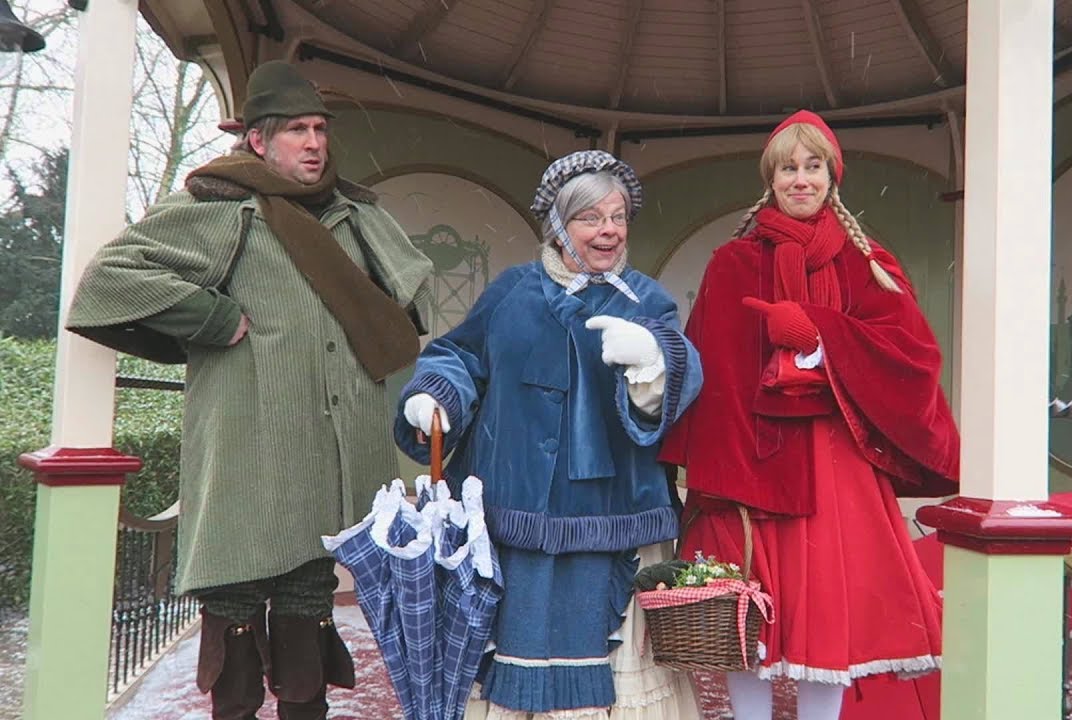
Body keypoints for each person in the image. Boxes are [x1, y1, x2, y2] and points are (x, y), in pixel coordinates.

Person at [65, 61, 436, 720]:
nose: (315, 142)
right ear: (257, 141)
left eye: (320, 128)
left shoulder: (352, 218)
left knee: (307, 615)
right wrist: (208, 316)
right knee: (233, 615)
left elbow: (410, 302)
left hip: (325, 462)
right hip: (249, 457)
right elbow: (110, 280)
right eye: (296, 129)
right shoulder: (219, 208)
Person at [657, 110, 961, 720]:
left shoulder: (868, 261)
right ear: (770, 180)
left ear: (832, 176)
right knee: (752, 616)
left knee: (829, 621)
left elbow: (915, 358)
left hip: (837, 470)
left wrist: (819, 335)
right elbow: (710, 376)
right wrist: (721, 477)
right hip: (753, 467)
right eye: (788, 168)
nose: (801, 179)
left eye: (813, 166)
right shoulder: (732, 264)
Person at [393, 150, 705, 719]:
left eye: (618, 217)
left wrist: (653, 363)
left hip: (612, 516)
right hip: (511, 511)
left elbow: (684, 378)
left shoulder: (647, 298)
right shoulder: (512, 292)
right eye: (591, 218)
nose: (609, 230)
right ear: (559, 226)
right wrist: (433, 395)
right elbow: (460, 356)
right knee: (514, 653)